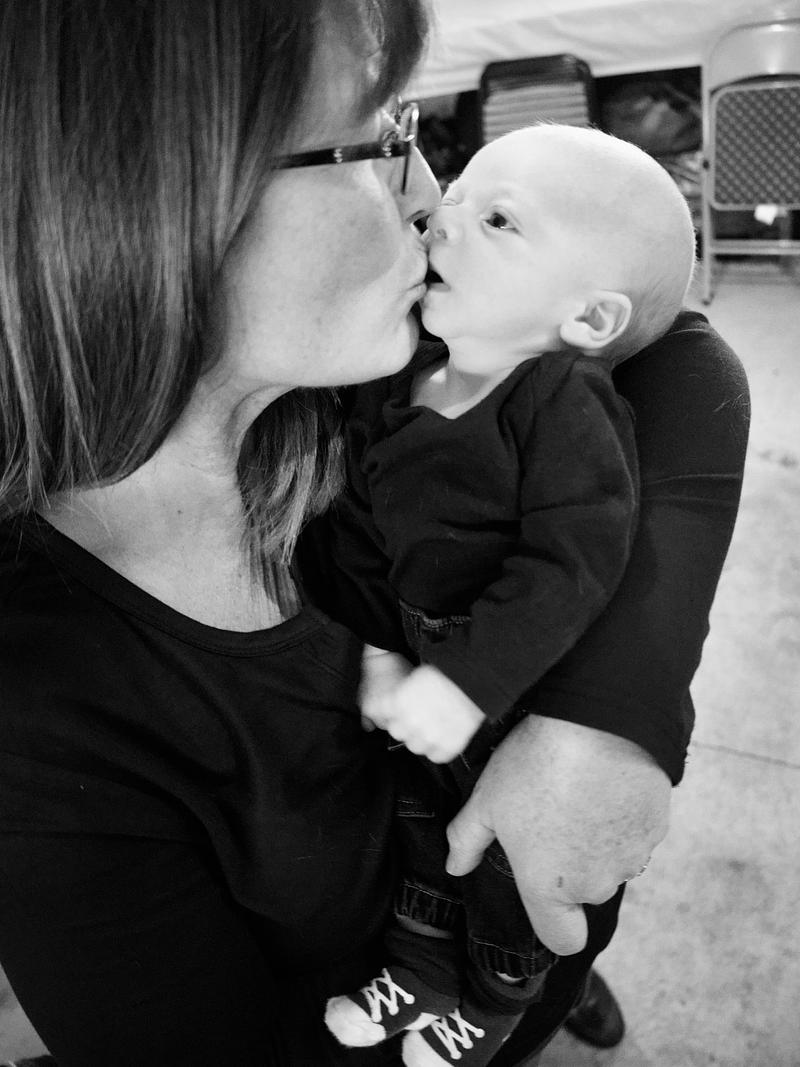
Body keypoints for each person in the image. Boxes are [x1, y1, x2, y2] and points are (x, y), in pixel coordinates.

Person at [0, 2, 748, 1066]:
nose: (431, 196)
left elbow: (679, 351)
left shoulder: (353, 388)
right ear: (152, 205)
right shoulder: (44, 716)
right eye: (383, 138)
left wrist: (600, 720)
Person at [310, 124, 696, 1067]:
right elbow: (361, 526)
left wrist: (466, 679)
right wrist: (378, 652)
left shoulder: (560, 402)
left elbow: (574, 564)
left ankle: (495, 1000)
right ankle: (420, 971)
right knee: (421, 826)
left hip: (513, 682)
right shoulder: (401, 380)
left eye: (497, 220)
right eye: (458, 197)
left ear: (589, 317)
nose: (440, 218)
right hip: (422, 667)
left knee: (506, 860)